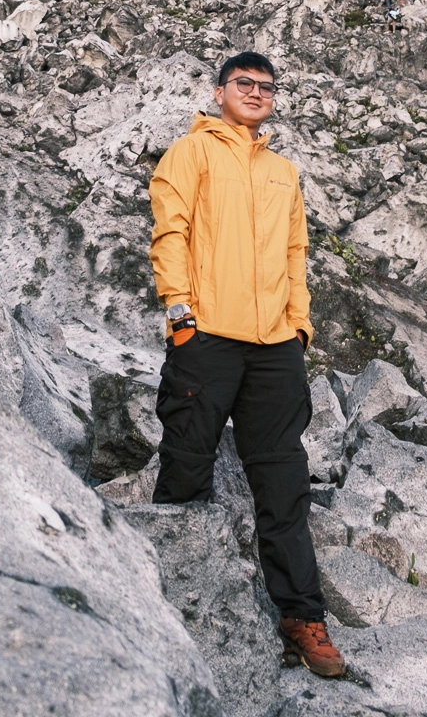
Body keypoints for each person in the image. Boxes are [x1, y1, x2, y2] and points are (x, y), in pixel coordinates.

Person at [150, 53, 342, 677]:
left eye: (266, 87)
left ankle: (301, 619)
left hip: (275, 348)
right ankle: (165, 604)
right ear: (220, 91)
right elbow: (169, 231)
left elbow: (296, 252)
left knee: (284, 485)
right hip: (207, 337)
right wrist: (179, 315)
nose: (256, 93)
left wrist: (300, 327)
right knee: (185, 467)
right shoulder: (193, 150)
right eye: (244, 84)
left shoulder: (284, 170)